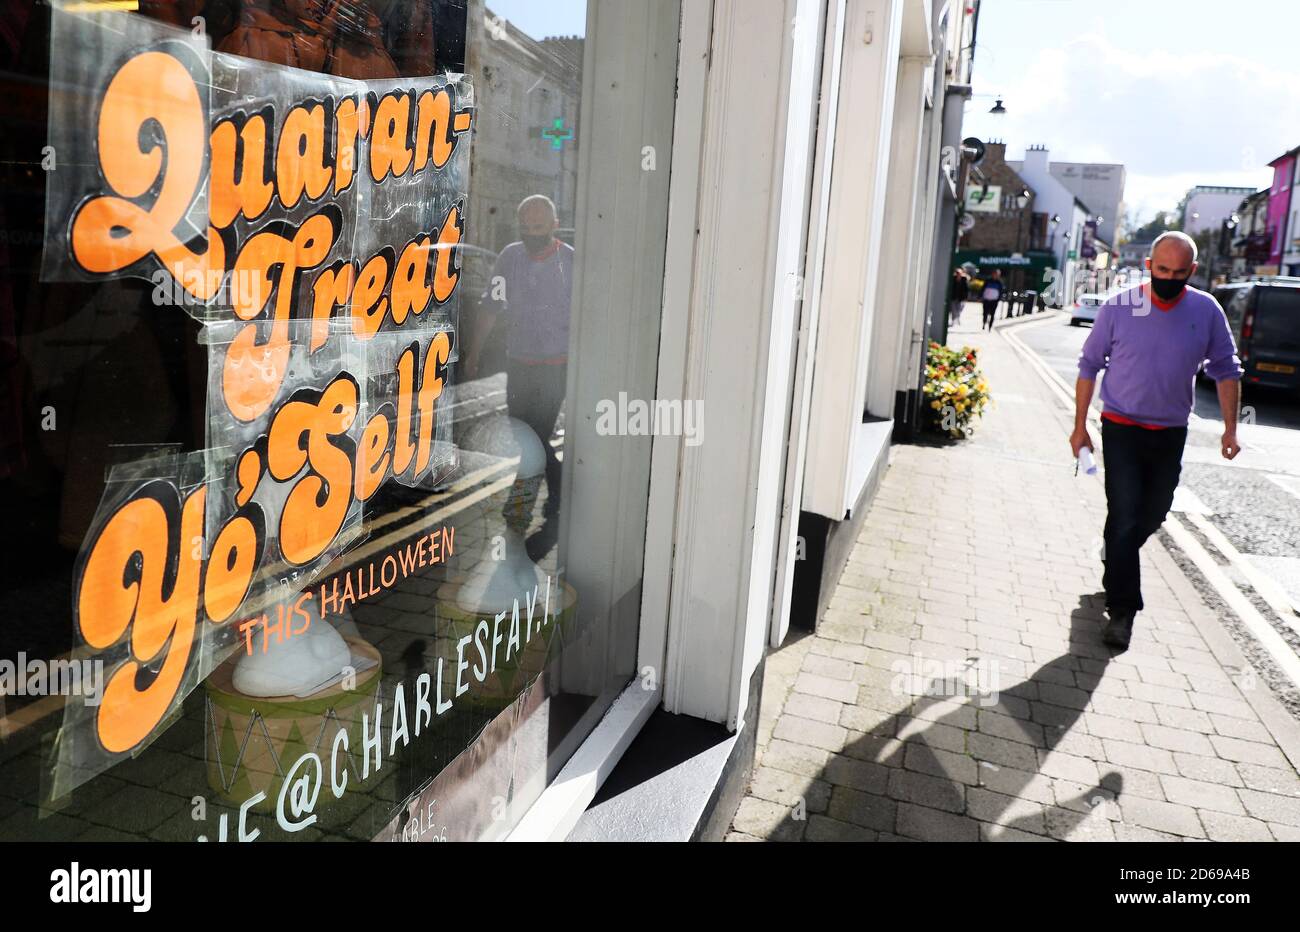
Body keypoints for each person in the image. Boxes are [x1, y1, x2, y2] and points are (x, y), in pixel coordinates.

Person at [1070, 231, 1243, 650]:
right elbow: (1089, 364)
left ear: (1192, 272)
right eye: (1162, 270)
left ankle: (1117, 553)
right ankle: (1123, 609)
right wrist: (1080, 427)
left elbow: (1226, 368)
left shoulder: (1206, 311)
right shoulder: (1119, 307)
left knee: (1152, 514)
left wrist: (1231, 428)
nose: (1169, 278)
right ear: (1149, 266)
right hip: (1121, 426)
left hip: (1169, 432)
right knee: (1126, 513)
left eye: (1178, 273)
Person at [468, 195, 574, 557]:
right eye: (526, 228)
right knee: (523, 436)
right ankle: (562, 492)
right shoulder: (510, 258)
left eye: (539, 228)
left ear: (554, 224)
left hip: (556, 366)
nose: (532, 235)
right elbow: (490, 307)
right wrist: (473, 354)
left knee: (536, 437)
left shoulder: (569, 261)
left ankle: (519, 512)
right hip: (520, 364)